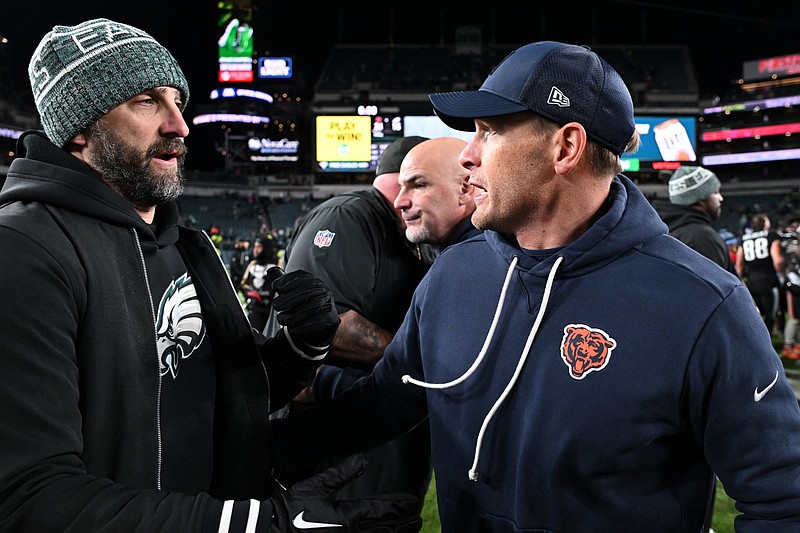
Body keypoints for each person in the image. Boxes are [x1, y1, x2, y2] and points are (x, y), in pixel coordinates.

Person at [270, 41, 800, 532]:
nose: (466, 155)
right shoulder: (454, 275)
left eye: (490, 131)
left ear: (566, 146)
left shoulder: (703, 304)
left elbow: (782, 498)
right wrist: (252, 430)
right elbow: (383, 404)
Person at [0, 18, 422, 533]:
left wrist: (298, 350)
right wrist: (256, 524)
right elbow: (31, 498)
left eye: (178, 100)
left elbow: (210, 399)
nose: (179, 125)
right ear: (80, 127)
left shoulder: (186, 245)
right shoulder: (23, 249)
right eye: (146, 101)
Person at [264, 135, 435, 510]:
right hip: (327, 438)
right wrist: (418, 361)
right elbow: (328, 324)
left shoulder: (411, 231)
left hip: (376, 429)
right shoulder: (348, 215)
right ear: (412, 177)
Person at [652, 166, 738, 276]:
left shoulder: (666, 233)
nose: (720, 198)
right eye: (715, 192)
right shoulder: (703, 239)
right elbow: (720, 291)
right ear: (701, 198)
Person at [737, 213, 785, 335]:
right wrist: (782, 274)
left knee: (755, 316)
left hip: (752, 282)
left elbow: (739, 264)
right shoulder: (771, 235)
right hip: (769, 280)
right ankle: (768, 345)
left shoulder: (744, 238)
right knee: (770, 315)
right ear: (764, 223)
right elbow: (777, 260)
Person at [241, 234, 279, 332]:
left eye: (259, 247)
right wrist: (250, 295)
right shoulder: (252, 265)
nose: (255, 249)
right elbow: (244, 284)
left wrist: (261, 295)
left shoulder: (274, 268)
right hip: (255, 310)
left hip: (270, 312)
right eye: (255, 246)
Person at [780, 213, 800, 359]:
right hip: (793, 280)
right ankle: (787, 346)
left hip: (795, 278)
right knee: (794, 316)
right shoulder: (789, 239)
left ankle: (796, 343)